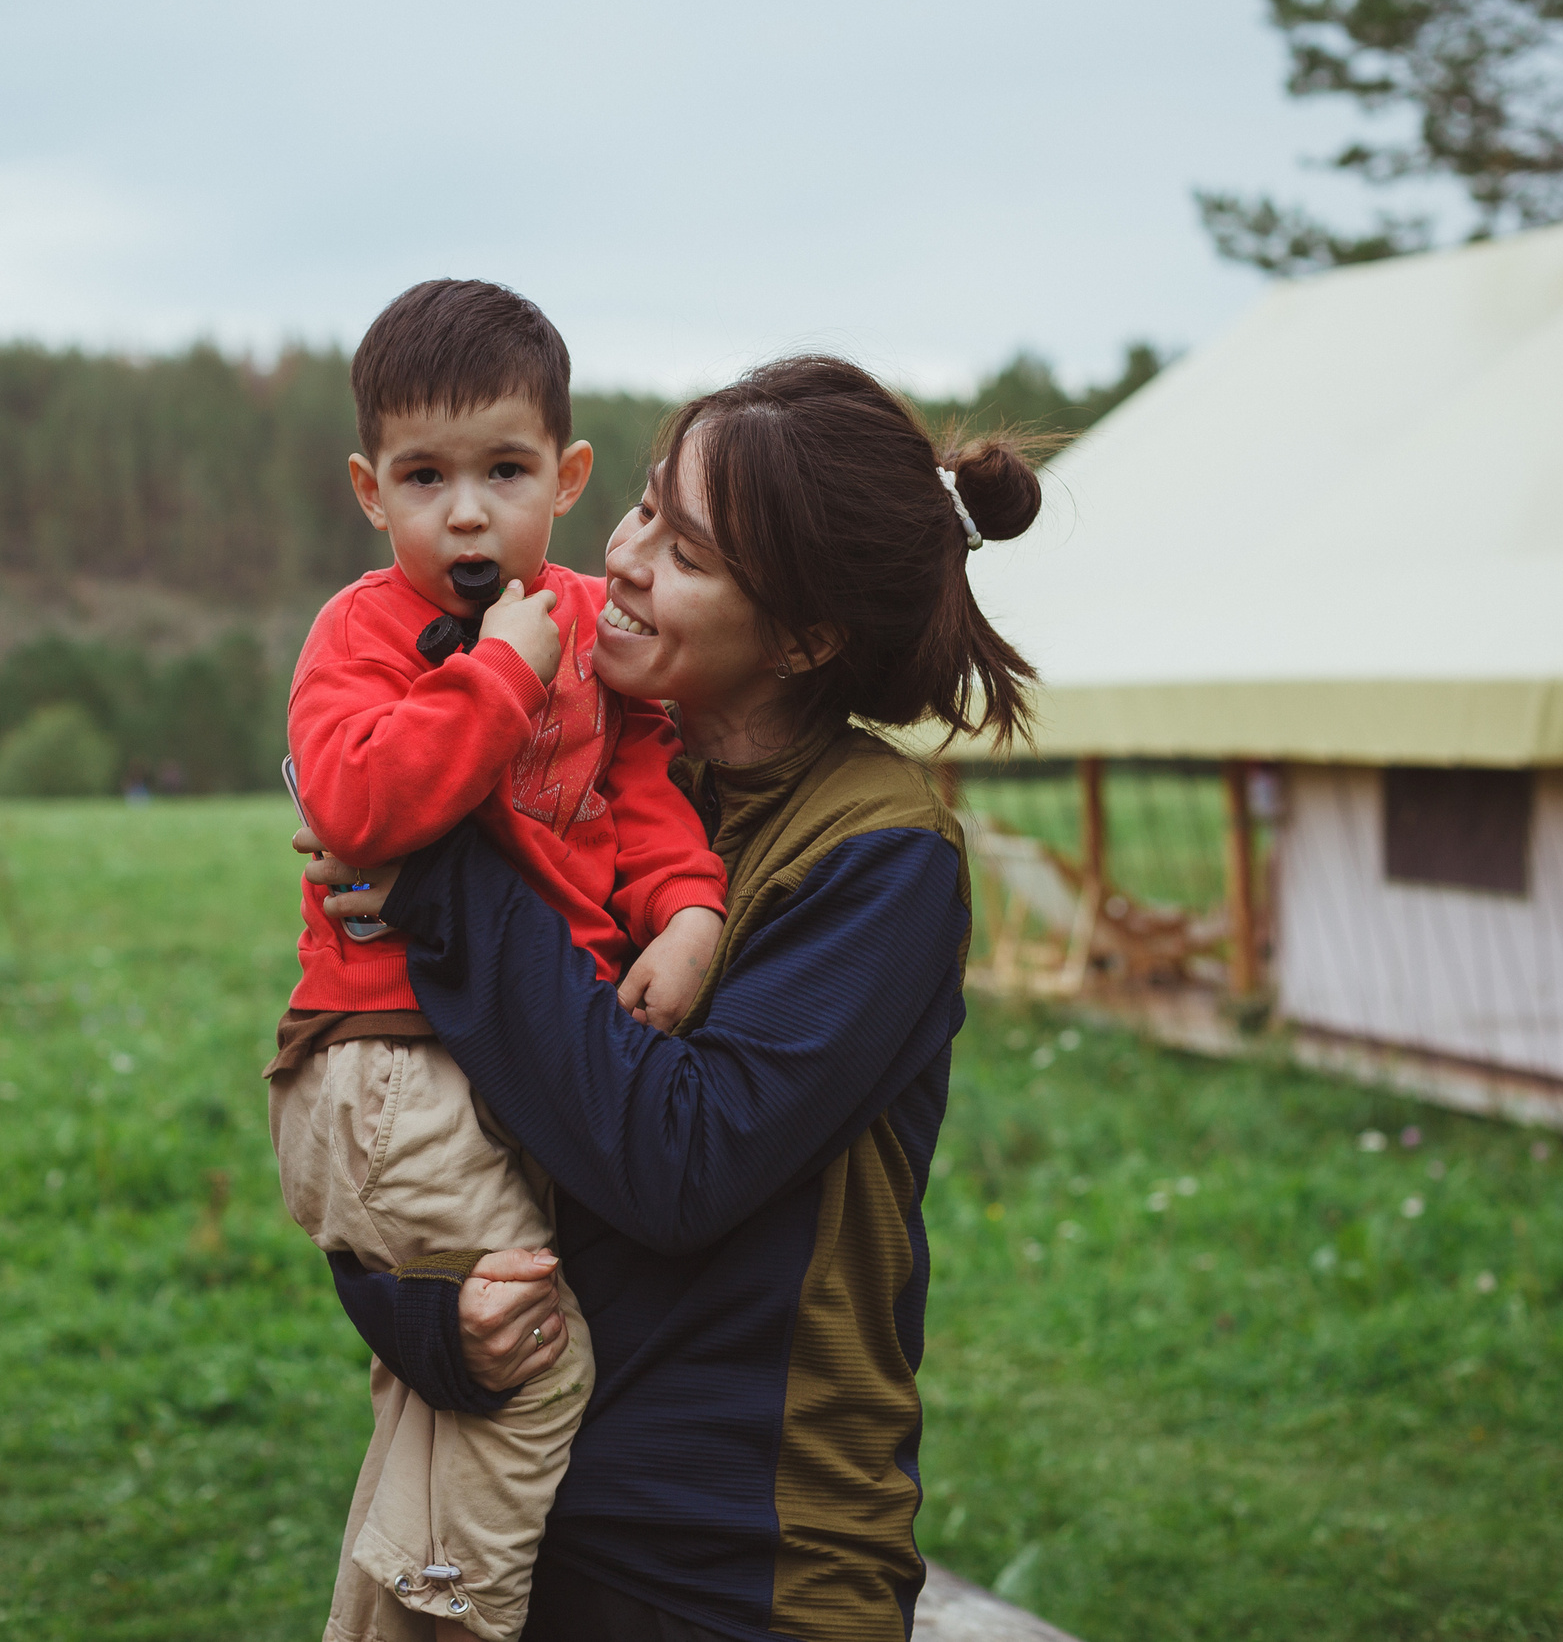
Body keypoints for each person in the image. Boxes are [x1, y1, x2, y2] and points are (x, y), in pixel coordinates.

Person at [304, 355, 1042, 1642]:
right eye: (643, 508)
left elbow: (674, 1160)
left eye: (687, 550)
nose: (628, 558)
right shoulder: (567, 787)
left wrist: (429, 856)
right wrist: (431, 1320)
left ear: (806, 638)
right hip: (531, 1515)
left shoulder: (879, 854)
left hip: (739, 1556)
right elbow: (413, 1128)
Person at [268, 279, 731, 1642]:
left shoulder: (585, 623)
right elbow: (355, 807)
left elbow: (636, 781)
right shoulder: (360, 634)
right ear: (370, 490)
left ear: (567, 476)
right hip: (387, 1067)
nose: (464, 512)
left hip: (489, 1066)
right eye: (425, 476)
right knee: (530, 1363)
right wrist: (500, 675)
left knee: (433, 1399)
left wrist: (689, 907)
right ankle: (475, 1619)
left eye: (503, 471)